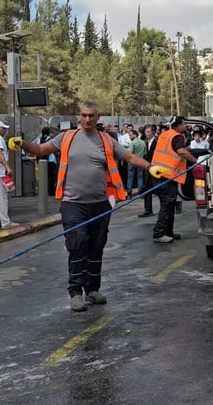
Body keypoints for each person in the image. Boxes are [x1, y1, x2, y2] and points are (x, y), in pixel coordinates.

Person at [13, 102, 153, 312]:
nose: (87, 119)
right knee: (78, 245)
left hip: (100, 204)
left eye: (91, 116)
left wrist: (151, 167)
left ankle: (92, 290)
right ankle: (75, 293)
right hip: (73, 204)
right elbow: (41, 150)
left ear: (98, 117)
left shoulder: (107, 140)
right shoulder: (66, 137)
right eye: (84, 115)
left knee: (96, 247)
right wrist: (22, 143)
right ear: (79, 116)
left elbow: (129, 157)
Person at [152, 116, 198, 243]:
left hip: (158, 174)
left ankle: (168, 232)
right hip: (167, 176)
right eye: (184, 124)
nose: (185, 126)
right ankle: (159, 233)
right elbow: (181, 151)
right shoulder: (177, 137)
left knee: (169, 204)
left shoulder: (164, 135)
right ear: (177, 126)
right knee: (167, 205)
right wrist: (196, 161)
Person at [138, 124, 158, 218]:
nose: (147, 134)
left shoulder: (157, 142)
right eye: (146, 132)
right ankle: (148, 209)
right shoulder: (144, 142)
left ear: (153, 132)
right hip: (147, 168)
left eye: (149, 132)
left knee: (160, 189)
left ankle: (168, 207)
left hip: (156, 167)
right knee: (147, 188)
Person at [127, 129, 147, 195]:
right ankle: (140, 191)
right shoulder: (143, 142)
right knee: (140, 177)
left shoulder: (132, 143)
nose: (129, 137)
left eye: (130, 135)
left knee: (130, 177)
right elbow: (145, 153)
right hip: (140, 162)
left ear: (135, 135)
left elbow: (130, 153)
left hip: (132, 162)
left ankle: (129, 191)